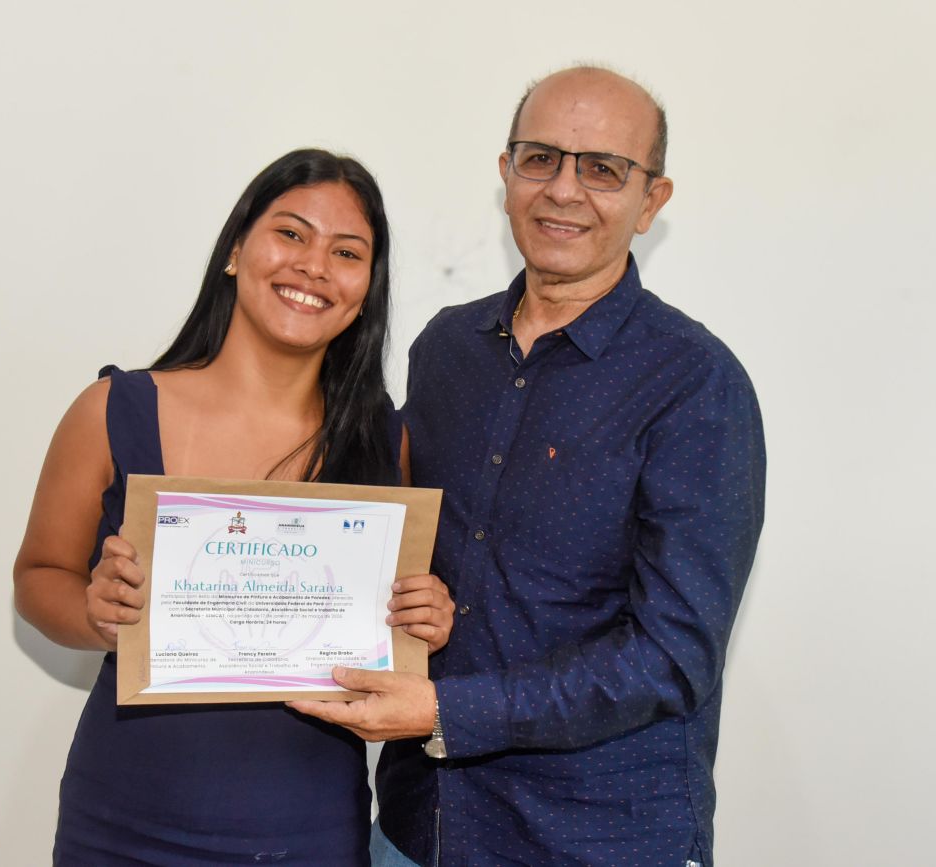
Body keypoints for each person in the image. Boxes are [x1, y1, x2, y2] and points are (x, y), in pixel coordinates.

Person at [290, 67, 766, 866]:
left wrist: (445, 709)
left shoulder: (695, 384)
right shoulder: (445, 349)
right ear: (506, 172)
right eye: (541, 157)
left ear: (651, 200)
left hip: (595, 839)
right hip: (418, 829)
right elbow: (390, 545)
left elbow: (671, 654)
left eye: (603, 168)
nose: (564, 189)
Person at [13, 148, 456, 866]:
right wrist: (95, 614)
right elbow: (37, 578)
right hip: (122, 824)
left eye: (347, 252)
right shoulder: (112, 410)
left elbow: (390, 632)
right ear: (234, 250)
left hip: (307, 831)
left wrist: (422, 619)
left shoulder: (386, 441)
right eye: (291, 233)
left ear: (366, 289)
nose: (314, 266)